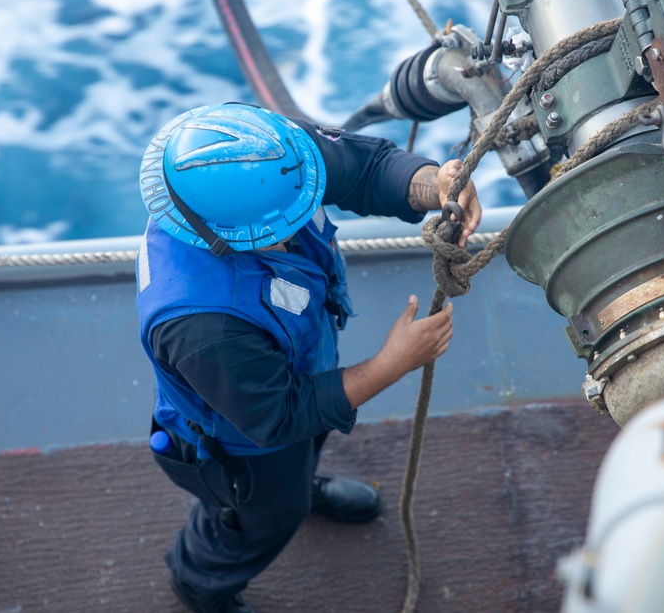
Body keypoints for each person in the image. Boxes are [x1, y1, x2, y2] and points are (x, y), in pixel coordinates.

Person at [135, 102, 481, 613]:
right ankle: (200, 582)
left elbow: (362, 168)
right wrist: (391, 363)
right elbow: (279, 417)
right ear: (223, 239)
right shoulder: (201, 325)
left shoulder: (272, 158)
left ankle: (301, 483)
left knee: (302, 455)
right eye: (285, 223)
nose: (304, 211)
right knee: (265, 515)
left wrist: (434, 184)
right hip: (241, 445)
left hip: (299, 364)